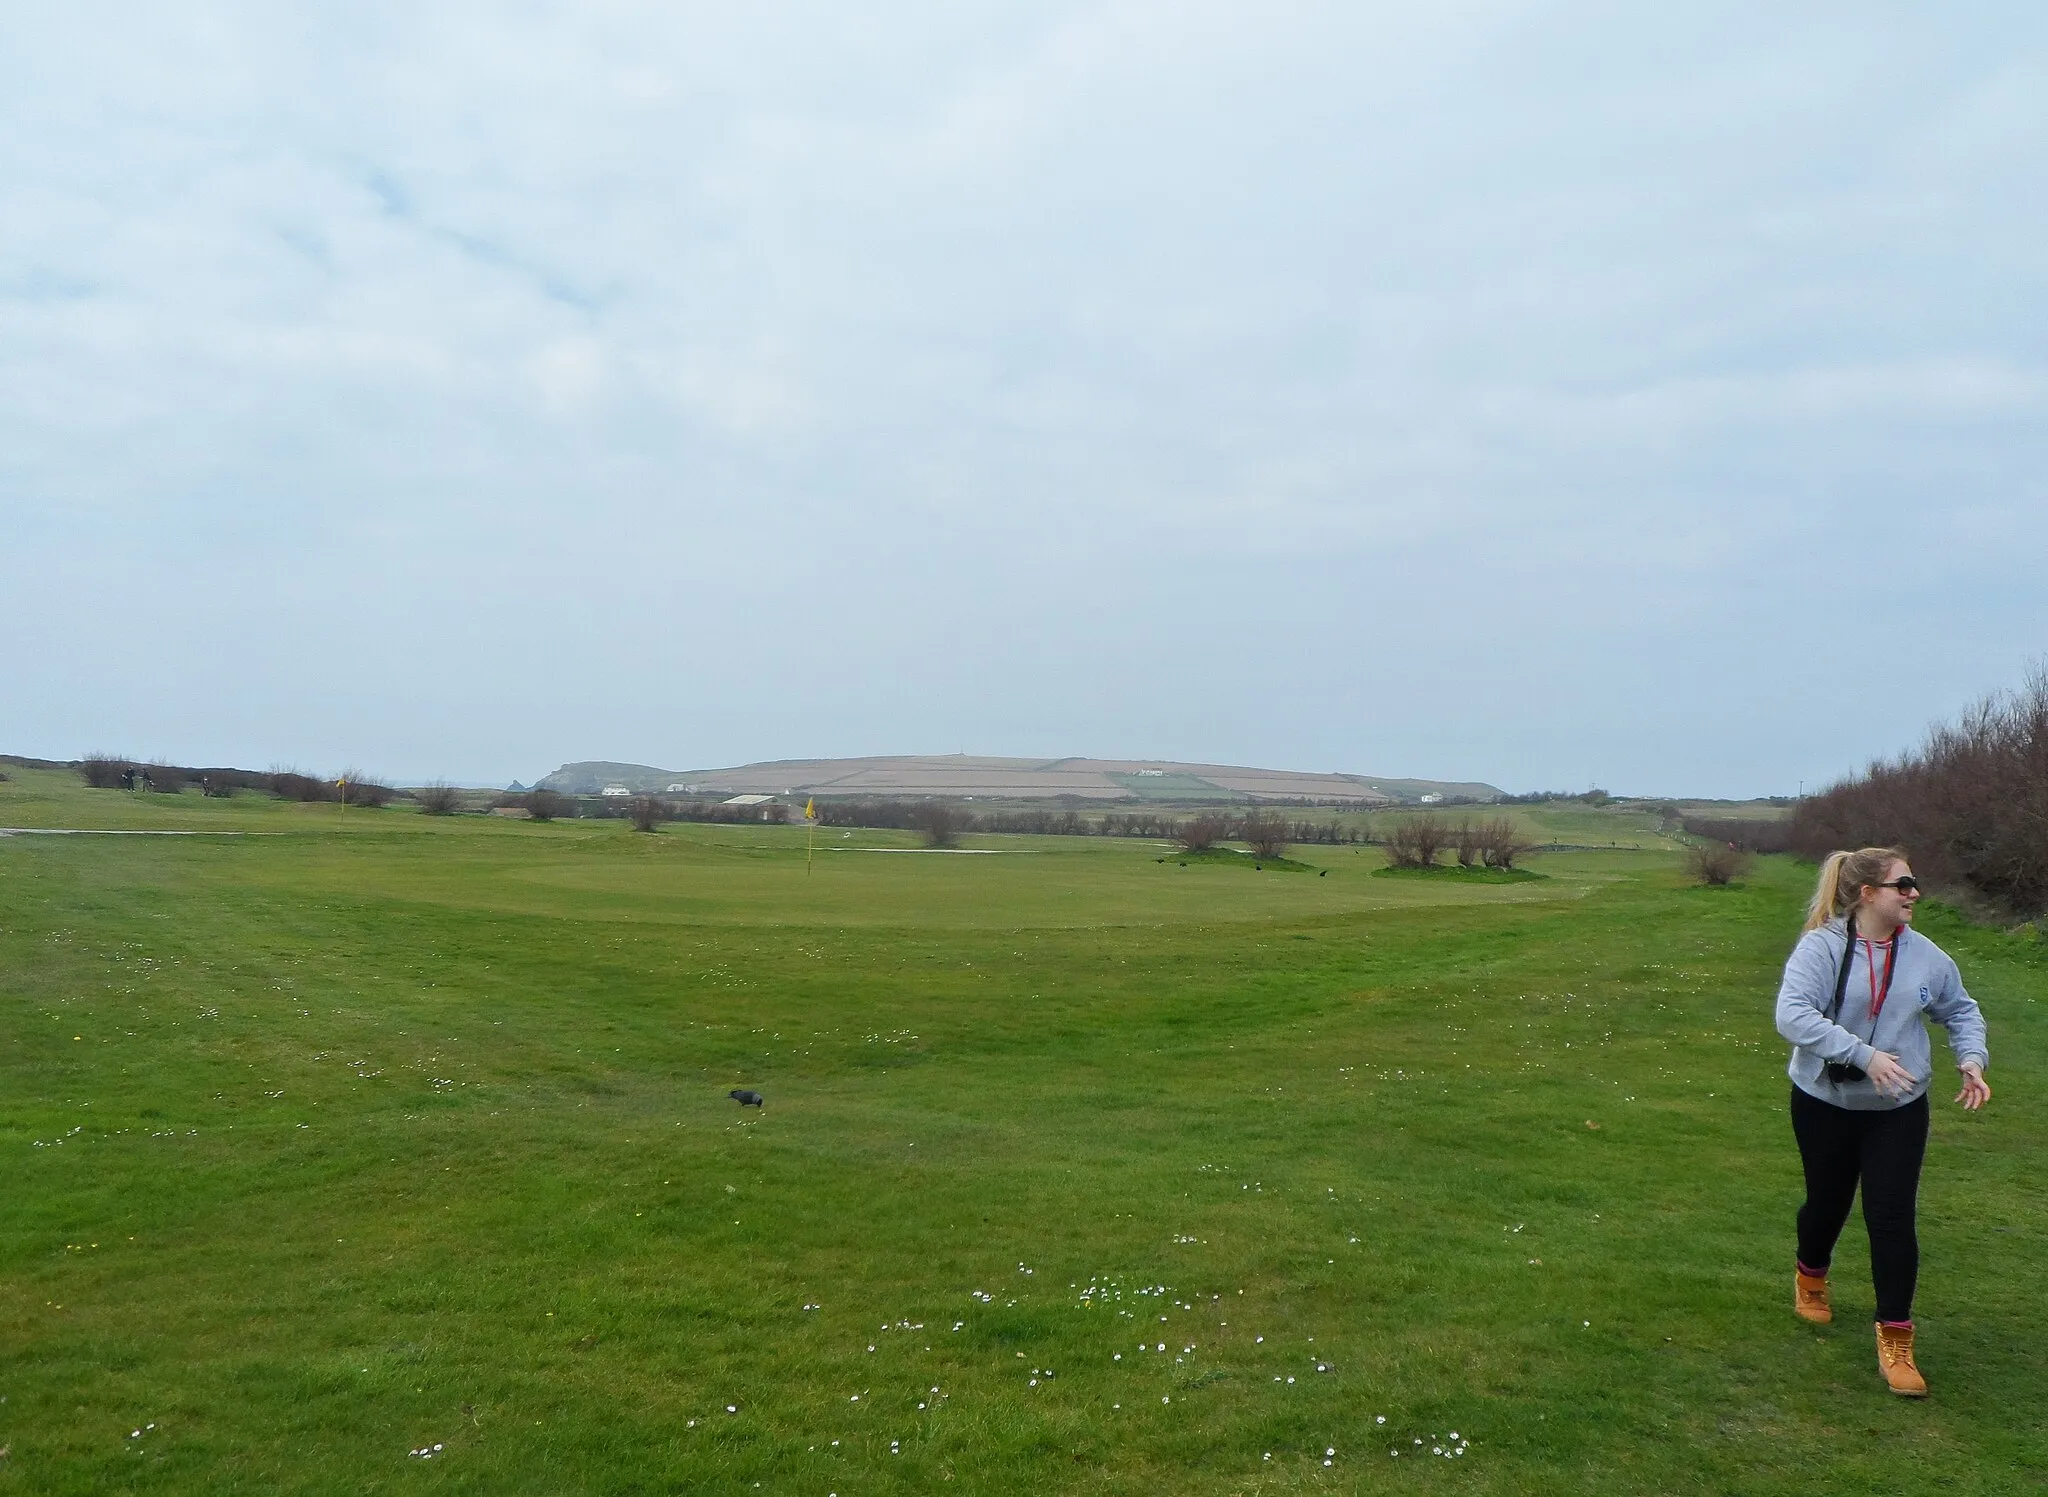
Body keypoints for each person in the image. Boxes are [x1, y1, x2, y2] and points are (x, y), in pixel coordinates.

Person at [1774, 847, 1990, 1397]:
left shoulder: (1926, 956)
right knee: (1827, 1203)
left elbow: (1960, 1009)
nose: (1914, 892)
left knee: (1891, 1216)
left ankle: (1896, 1337)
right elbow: (1793, 1014)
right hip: (1825, 1102)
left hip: (1898, 1108)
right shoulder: (1821, 947)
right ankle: (1811, 1275)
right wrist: (1863, 1055)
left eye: (1913, 883)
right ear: (1868, 893)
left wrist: (1971, 1058)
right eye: (1903, 884)